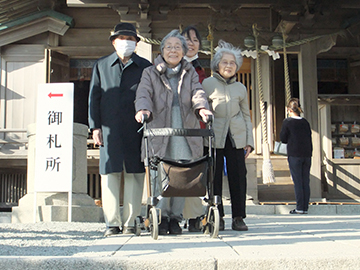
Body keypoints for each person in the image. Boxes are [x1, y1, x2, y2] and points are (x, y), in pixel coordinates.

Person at [135, 29, 212, 235]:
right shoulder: (149, 73)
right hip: (160, 130)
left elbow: (198, 92)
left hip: (184, 130)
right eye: (168, 46)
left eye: (178, 47)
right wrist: (143, 109)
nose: (173, 50)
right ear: (161, 51)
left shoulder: (190, 73)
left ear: (183, 51)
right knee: (159, 174)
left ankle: (175, 219)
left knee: (182, 176)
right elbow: (144, 93)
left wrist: (202, 108)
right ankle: (160, 217)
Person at [88, 23, 152, 237]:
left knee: (135, 173)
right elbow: (94, 98)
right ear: (114, 41)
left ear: (136, 43)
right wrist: (94, 126)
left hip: (137, 129)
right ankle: (112, 223)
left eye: (130, 38)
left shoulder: (145, 66)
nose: (126, 42)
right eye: (121, 38)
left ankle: (132, 222)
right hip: (109, 128)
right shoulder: (102, 65)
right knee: (110, 173)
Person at [202, 40, 254, 231]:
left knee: (239, 177)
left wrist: (249, 141)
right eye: (225, 62)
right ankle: (218, 216)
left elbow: (246, 115)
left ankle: (239, 217)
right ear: (217, 64)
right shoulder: (207, 84)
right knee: (213, 178)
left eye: (232, 63)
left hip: (237, 137)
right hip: (214, 136)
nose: (229, 65)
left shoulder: (241, 87)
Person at [181, 25, 207, 232]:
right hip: (171, 126)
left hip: (195, 128)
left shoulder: (201, 71)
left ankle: (193, 216)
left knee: (194, 172)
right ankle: (168, 216)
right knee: (170, 170)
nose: (191, 43)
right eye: (187, 39)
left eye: (195, 39)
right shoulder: (167, 66)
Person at [280, 98, 312, 214]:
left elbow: (283, 138)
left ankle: (299, 207)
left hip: (294, 153)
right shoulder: (305, 122)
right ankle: (305, 207)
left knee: (298, 181)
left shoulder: (287, 122)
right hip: (307, 154)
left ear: (289, 110)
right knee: (305, 181)